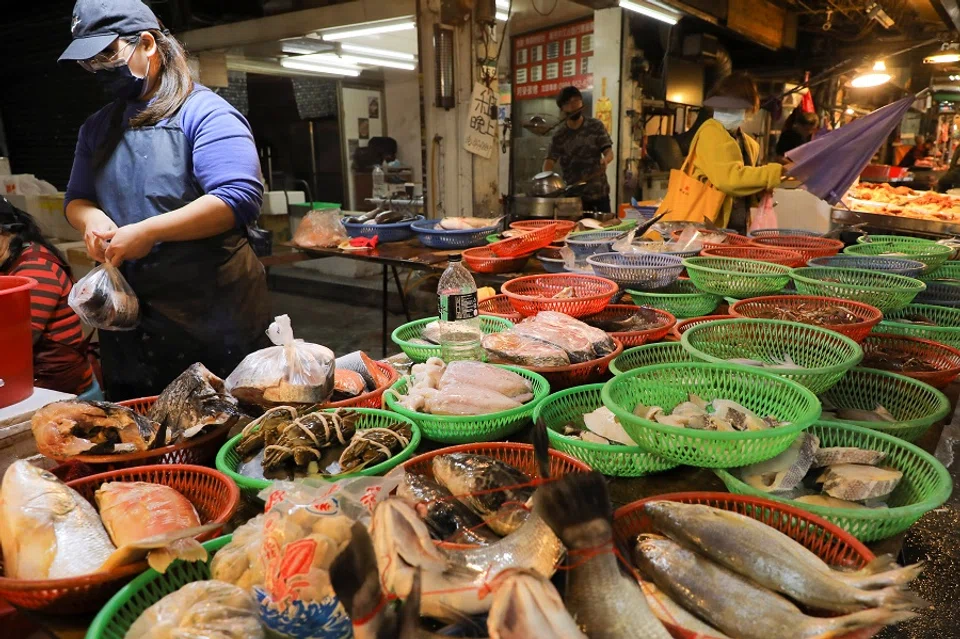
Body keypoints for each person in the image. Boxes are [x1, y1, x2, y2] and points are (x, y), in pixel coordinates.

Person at [60, 0, 270, 400]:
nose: (98, 70)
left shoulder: (205, 114)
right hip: (128, 322)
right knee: (140, 436)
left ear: (147, 45)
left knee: (220, 433)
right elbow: (77, 197)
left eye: (106, 55)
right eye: (89, 62)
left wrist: (150, 232)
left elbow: (238, 198)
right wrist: (90, 220)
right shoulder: (97, 127)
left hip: (212, 318)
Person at [0, 198, 97, 396]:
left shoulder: (35, 269)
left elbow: (18, 342)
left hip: (58, 385)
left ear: (5, 231)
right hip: (35, 375)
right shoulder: (12, 261)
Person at [685, 73, 785, 233]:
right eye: (721, 108)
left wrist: (759, 189)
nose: (726, 112)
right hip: (709, 226)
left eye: (732, 108)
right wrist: (776, 172)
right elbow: (730, 180)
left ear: (749, 110)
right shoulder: (711, 132)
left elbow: (743, 181)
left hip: (737, 224)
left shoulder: (749, 144)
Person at [542, 86, 615, 213]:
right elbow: (549, 162)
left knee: (604, 229)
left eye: (576, 101)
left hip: (598, 193)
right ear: (562, 108)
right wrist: (547, 182)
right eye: (568, 103)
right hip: (573, 197)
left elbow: (609, 152)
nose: (573, 106)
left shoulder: (595, 126)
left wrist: (606, 160)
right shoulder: (559, 135)